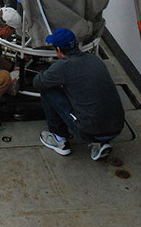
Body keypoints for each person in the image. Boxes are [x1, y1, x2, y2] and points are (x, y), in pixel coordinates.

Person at [33, 28, 125, 161]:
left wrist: (51, 72)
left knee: (48, 90)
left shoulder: (63, 66)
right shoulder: (94, 59)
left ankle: (59, 139)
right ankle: (99, 144)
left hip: (89, 130)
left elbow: (38, 82)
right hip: (117, 127)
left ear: (58, 50)